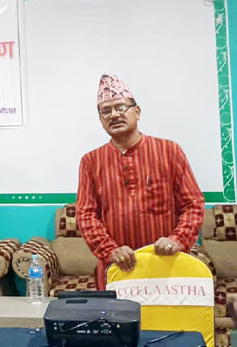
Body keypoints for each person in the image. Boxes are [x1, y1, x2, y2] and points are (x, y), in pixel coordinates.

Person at [75, 74, 205, 288]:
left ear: (137, 112)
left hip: (167, 266)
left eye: (120, 107)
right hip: (117, 269)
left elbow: (193, 204)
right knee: (118, 322)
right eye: (106, 111)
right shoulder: (91, 161)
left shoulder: (169, 151)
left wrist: (177, 240)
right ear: (100, 120)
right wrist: (110, 250)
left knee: (166, 321)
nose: (114, 115)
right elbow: (86, 215)